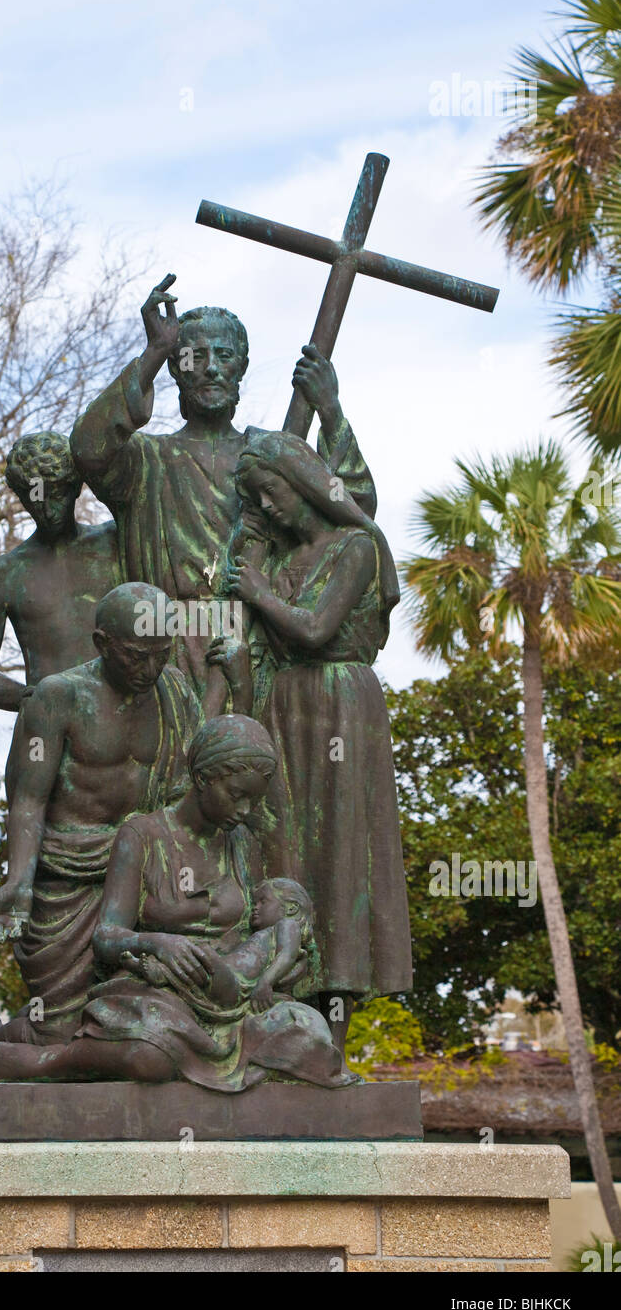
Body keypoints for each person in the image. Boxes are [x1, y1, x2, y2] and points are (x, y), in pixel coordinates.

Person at [0, 715, 343, 1090]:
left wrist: (281, 965)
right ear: (202, 778)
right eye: (236, 794)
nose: (245, 809)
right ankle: (43, 1062)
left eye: (254, 799)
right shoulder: (141, 835)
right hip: (158, 988)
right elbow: (107, 936)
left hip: (231, 997)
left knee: (311, 1037)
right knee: (152, 1058)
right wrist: (159, 943)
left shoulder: (241, 842)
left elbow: (257, 929)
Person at [0, 582, 198, 1084]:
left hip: (140, 877)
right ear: (102, 644)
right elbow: (29, 798)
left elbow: (186, 789)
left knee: (127, 1022)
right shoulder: (57, 698)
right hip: (67, 877)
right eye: (136, 656)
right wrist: (19, 881)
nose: (149, 670)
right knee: (56, 1032)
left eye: (161, 655)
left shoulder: (175, 694)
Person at [70, 273, 376, 696]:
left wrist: (330, 411)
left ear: (242, 368)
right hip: (162, 652)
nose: (212, 367)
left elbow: (354, 510)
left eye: (225, 355)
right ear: (177, 368)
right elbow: (88, 447)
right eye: (196, 356)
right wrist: (155, 350)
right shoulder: (146, 459)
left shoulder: (273, 455)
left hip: (258, 646)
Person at [224, 430, 412, 1077]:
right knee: (282, 858)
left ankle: (332, 1044)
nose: (270, 508)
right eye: (259, 499)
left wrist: (256, 591)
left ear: (300, 482)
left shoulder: (355, 546)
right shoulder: (276, 558)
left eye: (272, 492)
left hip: (339, 704)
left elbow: (313, 627)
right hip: (284, 710)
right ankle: (283, 1027)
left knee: (339, 871)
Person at [0, 431, 119, 712]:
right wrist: (36, 702)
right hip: (52, 728)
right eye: (35, 498)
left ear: (75, 487)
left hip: (127, 717)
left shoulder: (115, 542)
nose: (48, 510)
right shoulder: (2, 573)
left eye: (57, 495)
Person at [122, 876, 317, 1014]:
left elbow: (287, 955)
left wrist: (265, 983)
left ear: (291, 908)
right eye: (255, 903)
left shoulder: (288, 926)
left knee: (204, 955)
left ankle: (164, 972)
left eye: (263, 902)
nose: (255, 908)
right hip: (228, 975)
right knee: (198, 961)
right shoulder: (266, 933)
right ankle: (163, 973)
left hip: (239, 984)